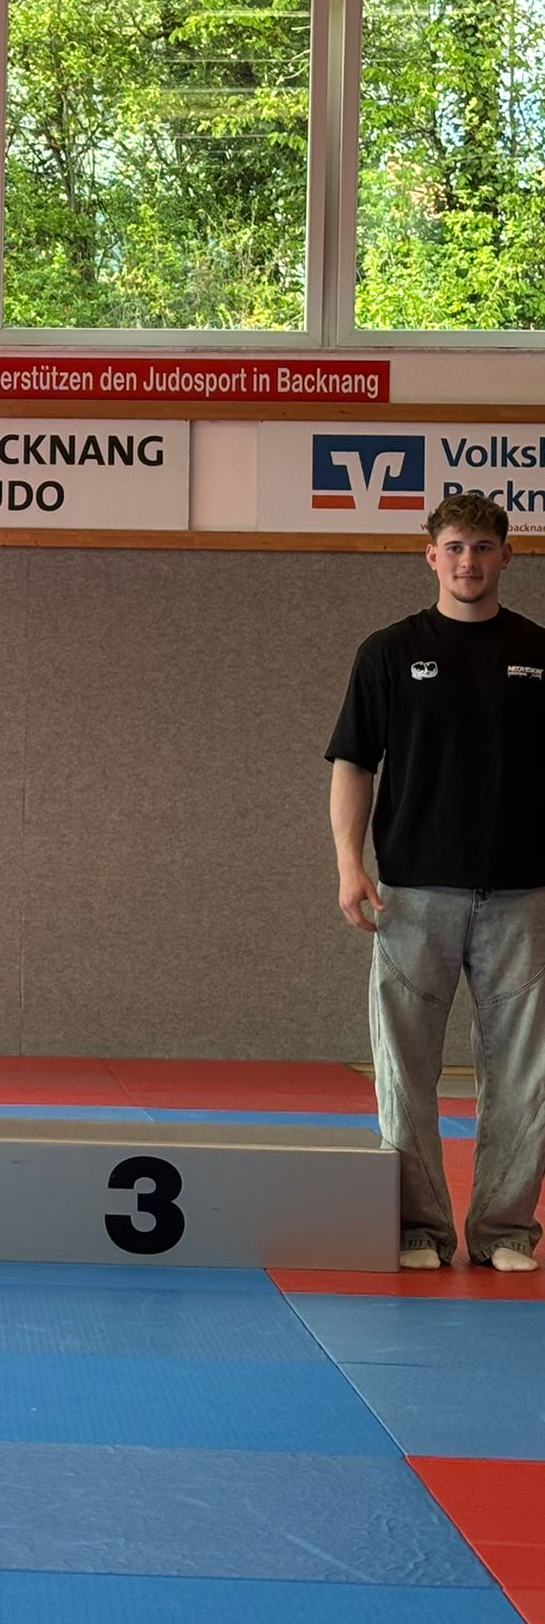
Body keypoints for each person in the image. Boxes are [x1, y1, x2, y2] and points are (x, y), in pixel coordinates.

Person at [328, 490, 545, 1273]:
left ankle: (504, 1230)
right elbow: (354, 763)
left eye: (483, 548)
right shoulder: (388, 652)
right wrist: (350, 863)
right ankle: (418, 1227)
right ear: (431, 557)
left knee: (525, 1073)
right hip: (413, 894)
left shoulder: (537, 652)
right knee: (405, 1068)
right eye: (454, 548)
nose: (468, 562)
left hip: (521, 894)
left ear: (507, 556)